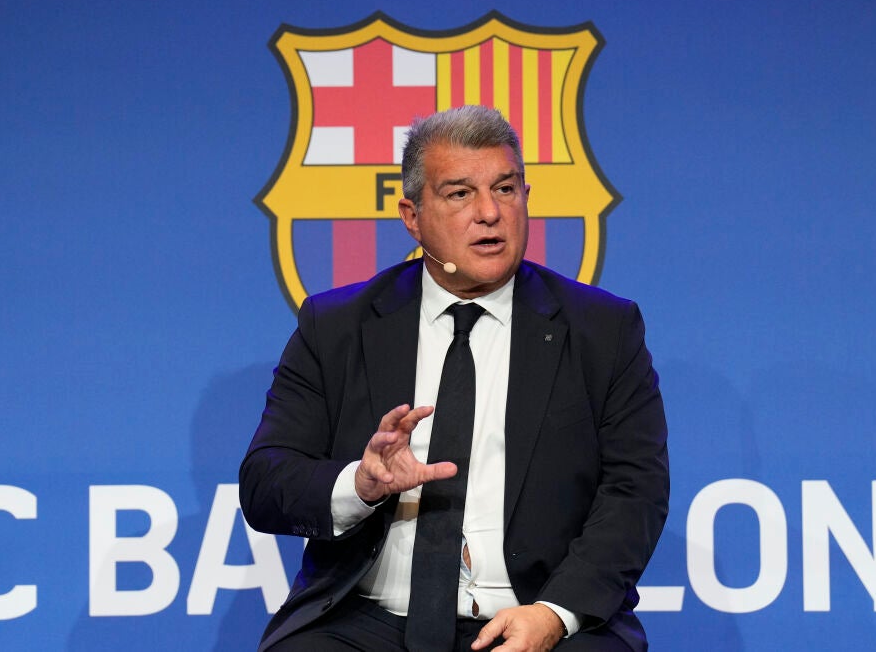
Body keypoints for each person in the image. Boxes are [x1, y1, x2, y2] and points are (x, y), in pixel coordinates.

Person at [240, 105, 668, 651]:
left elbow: (635, 491)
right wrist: (360, 484)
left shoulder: (602, 330)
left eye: (505, 189)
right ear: (412, 216)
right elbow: (266, 482)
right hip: (365, 618)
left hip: (535, 613)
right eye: (460, 194)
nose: (490, 213)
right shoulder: (337, 326)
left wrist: (554, 614)